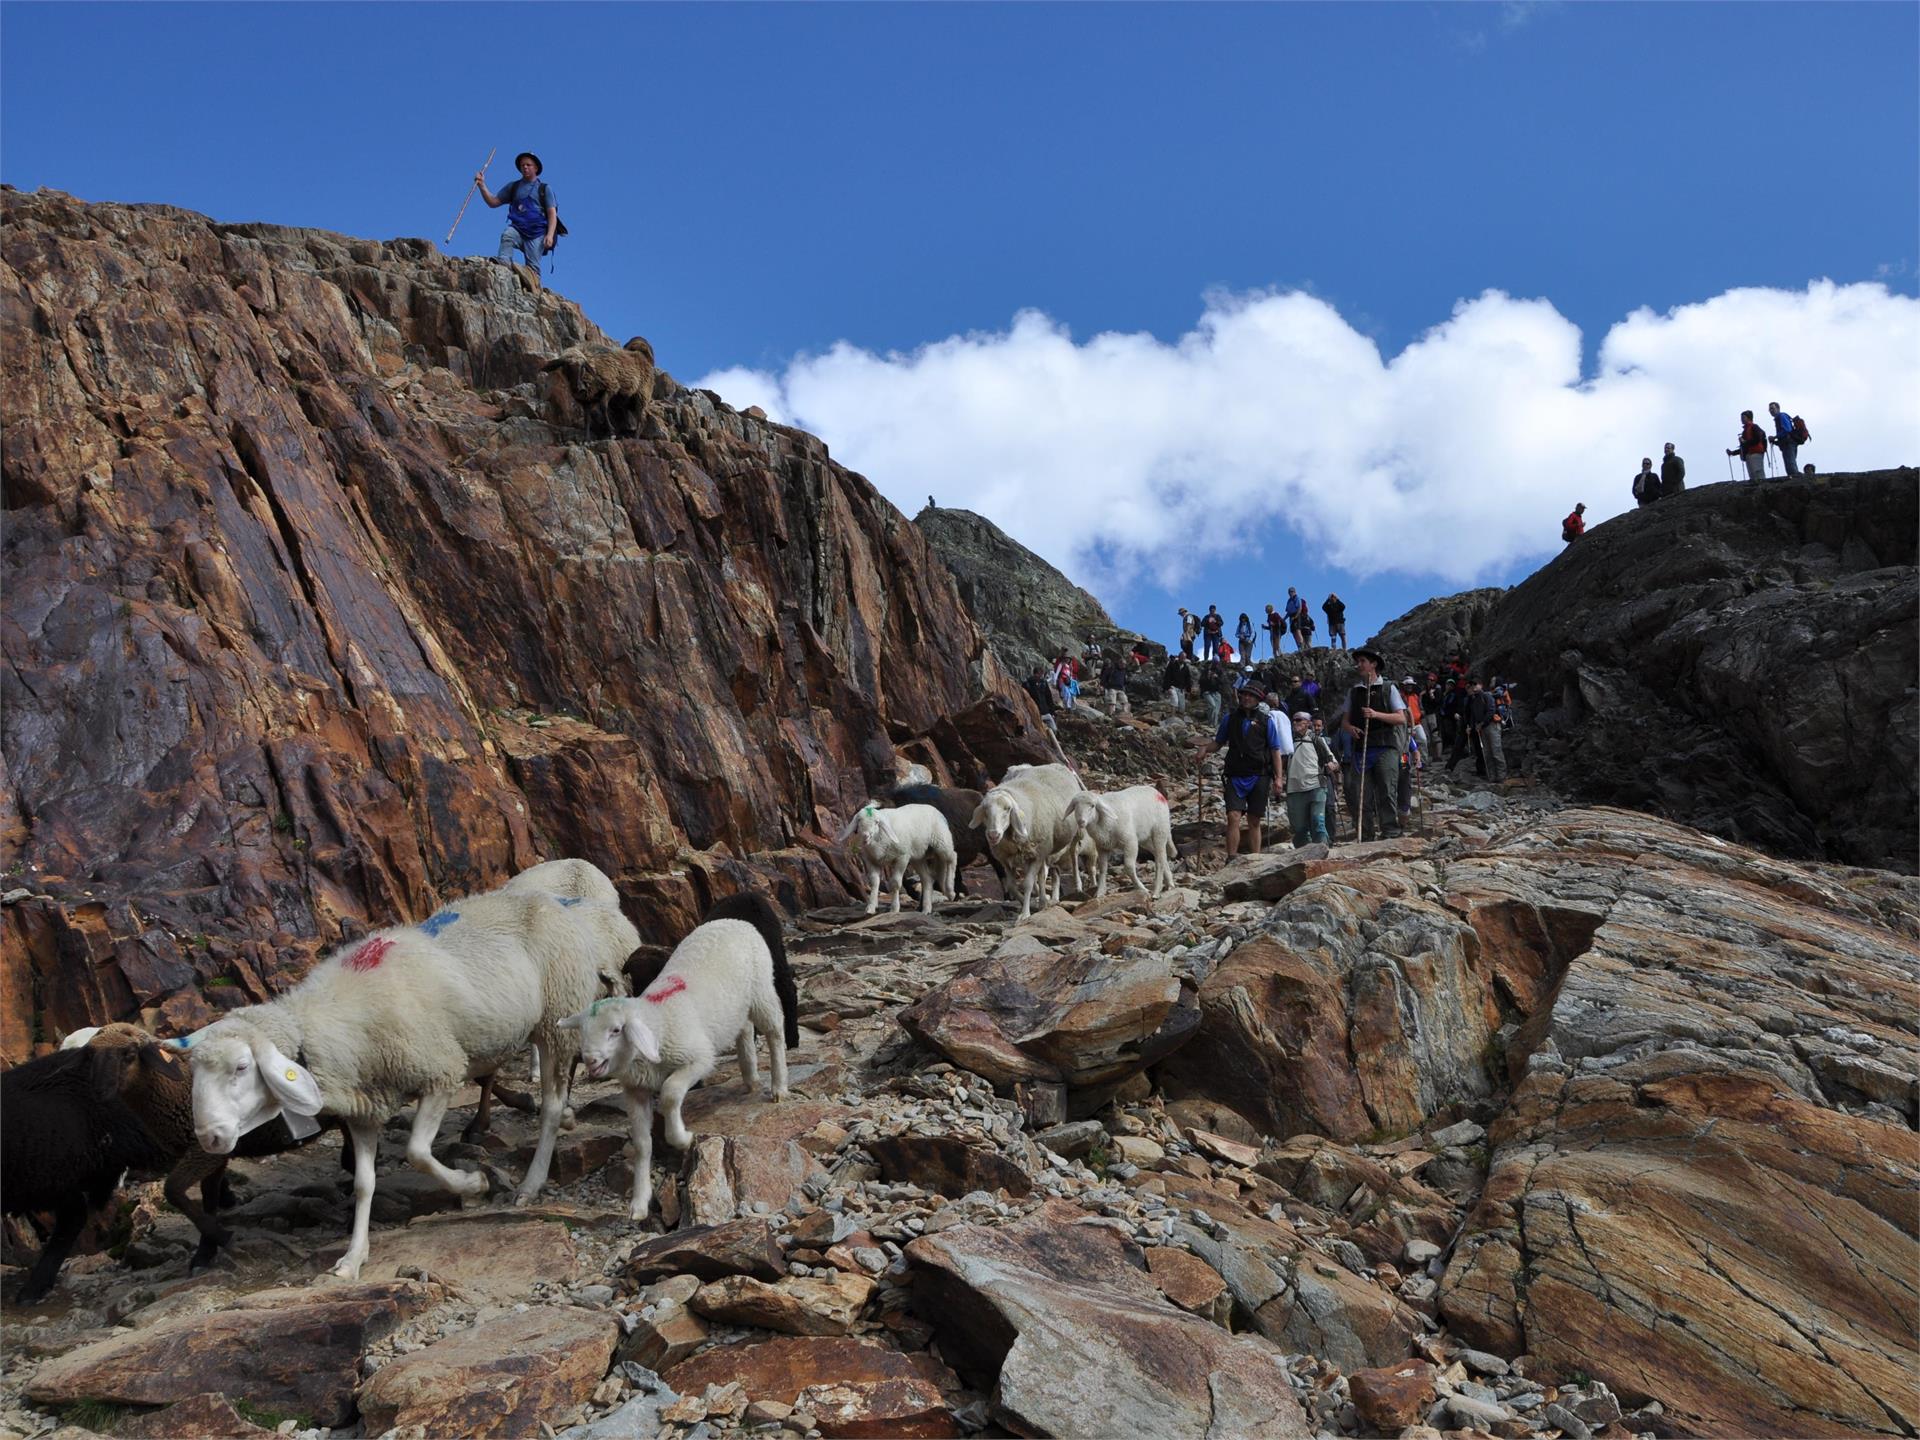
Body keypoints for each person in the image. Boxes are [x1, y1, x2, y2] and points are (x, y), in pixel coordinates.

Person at [1197, 683, 1293, 860]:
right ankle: (1231, 858)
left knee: (1254, 820)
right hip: (1235, 774)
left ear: (1257, 699)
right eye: (1244, 695)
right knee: (1233, 816)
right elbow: (1218, 743)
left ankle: (1255, 859)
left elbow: (1275, 750)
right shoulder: (1230, 719)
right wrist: (1205, 749)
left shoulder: (1266, 721)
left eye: (1251, 696)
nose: (1246, 698)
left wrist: (1279, 778)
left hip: (1260, 774)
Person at [1340, 648, 1408, 841]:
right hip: (1361, 747)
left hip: (1386, 745)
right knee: (1362, 794)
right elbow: (1345, 721)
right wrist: (1350, 728)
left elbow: (1400, 718)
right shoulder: (1354, 692)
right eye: (1358, 662)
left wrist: (1375, 714)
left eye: (1362, 661)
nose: (1359, 665)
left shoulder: (1388, 688)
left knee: (1387, 789)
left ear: (1374, 664)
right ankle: (1366, 834)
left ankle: (1390, 831)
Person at [477, 152, 558, 292]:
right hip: (518, 229)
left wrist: (550, 235)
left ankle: (534, 291)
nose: (525, 167)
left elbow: (552, 214)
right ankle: (504, 265)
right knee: (507, 235)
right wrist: (482, 185)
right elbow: (493, 202)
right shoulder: (514, 187)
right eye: (523, 165)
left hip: (537, 233)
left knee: (533, 269)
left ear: (536, 168)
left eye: (528, 165)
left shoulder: (544, 189)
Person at [1285, 710, 1336, 847]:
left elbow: (1332, 759)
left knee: (1317, 821)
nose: (1295, 722)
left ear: (1307, 723)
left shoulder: (1317, 740)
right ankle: (1305, 855)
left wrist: (1331, 765)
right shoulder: (1288, 740)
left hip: (1316, 785)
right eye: (1294, 720)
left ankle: (1322, 851)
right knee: (1299, 827)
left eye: (1299, 720)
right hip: (1294, 787)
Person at [1467, 676, 1507, 783]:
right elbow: (1473, 715)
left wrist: (1482, 723)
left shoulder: (1487, 696)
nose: (1473, 687)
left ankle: (1501, 776)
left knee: (1496, 751)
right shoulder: (1474, 699)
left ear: (1481, 685)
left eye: (1476, 684)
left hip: (1492, 726)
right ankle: (1492, 776)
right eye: (1472, 685)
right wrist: (1471, 726)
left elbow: (1491, 710)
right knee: (1487, 753)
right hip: (1482, 728)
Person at [1728, 410, 1768, 482]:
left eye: (1743, 417)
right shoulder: (1747, 430)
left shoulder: (1753, 427)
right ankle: (1759, 488)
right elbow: (1744, 447)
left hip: (1755, 452)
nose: (1741, 419)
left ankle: (1761, 486)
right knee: (1753, 473)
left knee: (1757, 472)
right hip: (1751, 453)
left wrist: (1745, 442)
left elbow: (1757, 439)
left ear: (1749, 418)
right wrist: (1733, 453)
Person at [1768, 401, 1800, 478]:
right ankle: (1795, 478)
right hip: (1788, 442)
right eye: (1770, 409)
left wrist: (1775, 437)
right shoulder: (1780, 417)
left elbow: (1787, 430)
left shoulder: (1781, 416)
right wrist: (1776, 441)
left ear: (1778, 408)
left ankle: (1795, 479)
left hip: (1788, 443)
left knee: (1790, 463)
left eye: (1772, 408)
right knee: (1790, 462)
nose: (1771, 411)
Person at [1024, 668, 1059, 736]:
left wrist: (1052, 711)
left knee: (1054, 729)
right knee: (1039, 732)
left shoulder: (1044, 683)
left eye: (1041, 674)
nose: (1040, 676)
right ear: (1035, 674)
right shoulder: (1027, 684)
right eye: (1039, 674)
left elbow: (1049, 697)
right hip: (1034, 712)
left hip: (1045, 711)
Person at [1200, 660, 1224, 727]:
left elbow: (1222, 682)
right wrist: (1208, 677)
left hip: (1216, 692)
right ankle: (1210, 722)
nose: (1215, 665)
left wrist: (1217, 677)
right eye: (1214, 664)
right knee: (1212, 706)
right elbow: (1201, 681)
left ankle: (1214, 724)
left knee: (1216, 710)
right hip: (1207, 692)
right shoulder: (1205, 671)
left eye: (1217, 664)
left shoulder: (1219, 671)